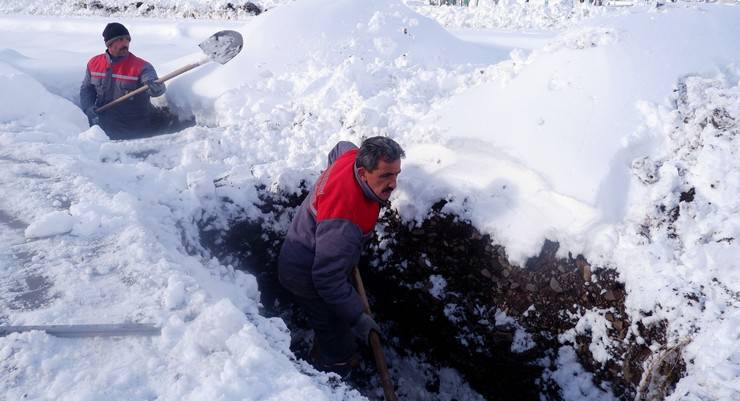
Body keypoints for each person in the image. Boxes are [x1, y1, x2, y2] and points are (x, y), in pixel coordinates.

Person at [278, 136, 404, 376]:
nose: (394, 184)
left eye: (396, 174)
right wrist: (358, 318)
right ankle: (333, 369)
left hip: (319, 250)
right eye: (386, 176)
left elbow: (340, 146)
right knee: (335, 330)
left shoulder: (349, 157)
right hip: (303, 273)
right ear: (363, 172)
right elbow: (327, 279)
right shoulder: (345, 220)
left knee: (338, 306)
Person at [80, 22, 170, 140]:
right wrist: (88, 108)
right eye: (120, 39)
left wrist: (156, 88)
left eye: (127, 39)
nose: (125, 43)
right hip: (103, 132)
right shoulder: (94, 63)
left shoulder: (141, 66)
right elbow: (87, 89)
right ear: (109, 44)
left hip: (136, 132)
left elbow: (154, 84)